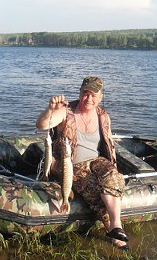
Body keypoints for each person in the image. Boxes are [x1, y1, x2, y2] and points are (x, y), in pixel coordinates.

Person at [36, 76, 128, 250]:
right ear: (79, 93)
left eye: (94, 95)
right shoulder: (66, 111)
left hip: (96, 161)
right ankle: (115, 234)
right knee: (93, 191)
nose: (89, 98)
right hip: (70, 164)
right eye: (85, 94)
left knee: (113, 177)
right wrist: (50, 109)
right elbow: (41, 125)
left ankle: (116, 225)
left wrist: (108, 167)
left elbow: (106, 147)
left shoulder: (103, 116)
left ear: (100, 97)